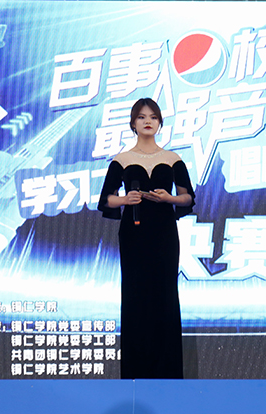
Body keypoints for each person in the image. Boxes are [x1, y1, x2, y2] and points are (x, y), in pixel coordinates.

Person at [98, 98, 195, 379]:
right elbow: (105, 199)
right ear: (133, 123)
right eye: (141, 117)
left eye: (153, 117)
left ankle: (167, 372)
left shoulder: (173, 159)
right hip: (134, 233)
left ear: (160, 122)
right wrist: (125, 199)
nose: (147, 121)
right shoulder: (122, 160)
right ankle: (136, 372)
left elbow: (188, 197)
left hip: (164, 233)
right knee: (135, 296)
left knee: (165, 295)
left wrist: (169, 198)